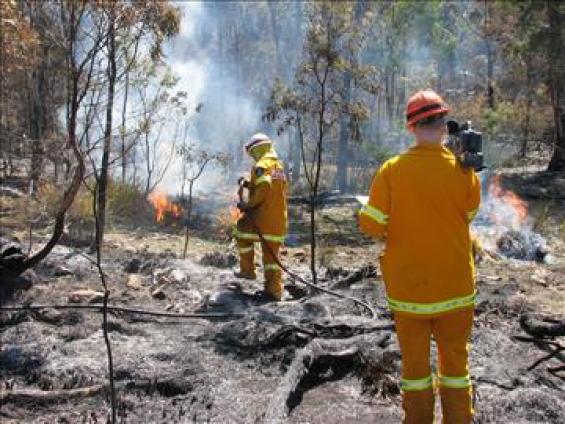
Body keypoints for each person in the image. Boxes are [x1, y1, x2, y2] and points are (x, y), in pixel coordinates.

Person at [359, 90, 481, 423]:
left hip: (409, 291)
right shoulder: (463, 171)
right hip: (456, 288)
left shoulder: (391, 171)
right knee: (456, 368)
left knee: (415, 370)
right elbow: (469, 213)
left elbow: (371, 225)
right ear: (445, 126)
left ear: (411, 127)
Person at [233, 133, 288, 301]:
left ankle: (247, 271)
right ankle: (274, 291)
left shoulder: (262, 165)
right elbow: (271, 187)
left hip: (262, 219)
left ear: (257, 149)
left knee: (241, 230)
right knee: (272, 258)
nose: (252, 157)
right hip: (278, 221)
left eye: (252, 153)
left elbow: (264, 187)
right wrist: (248, 184)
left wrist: (248, 206)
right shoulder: (278, 166)